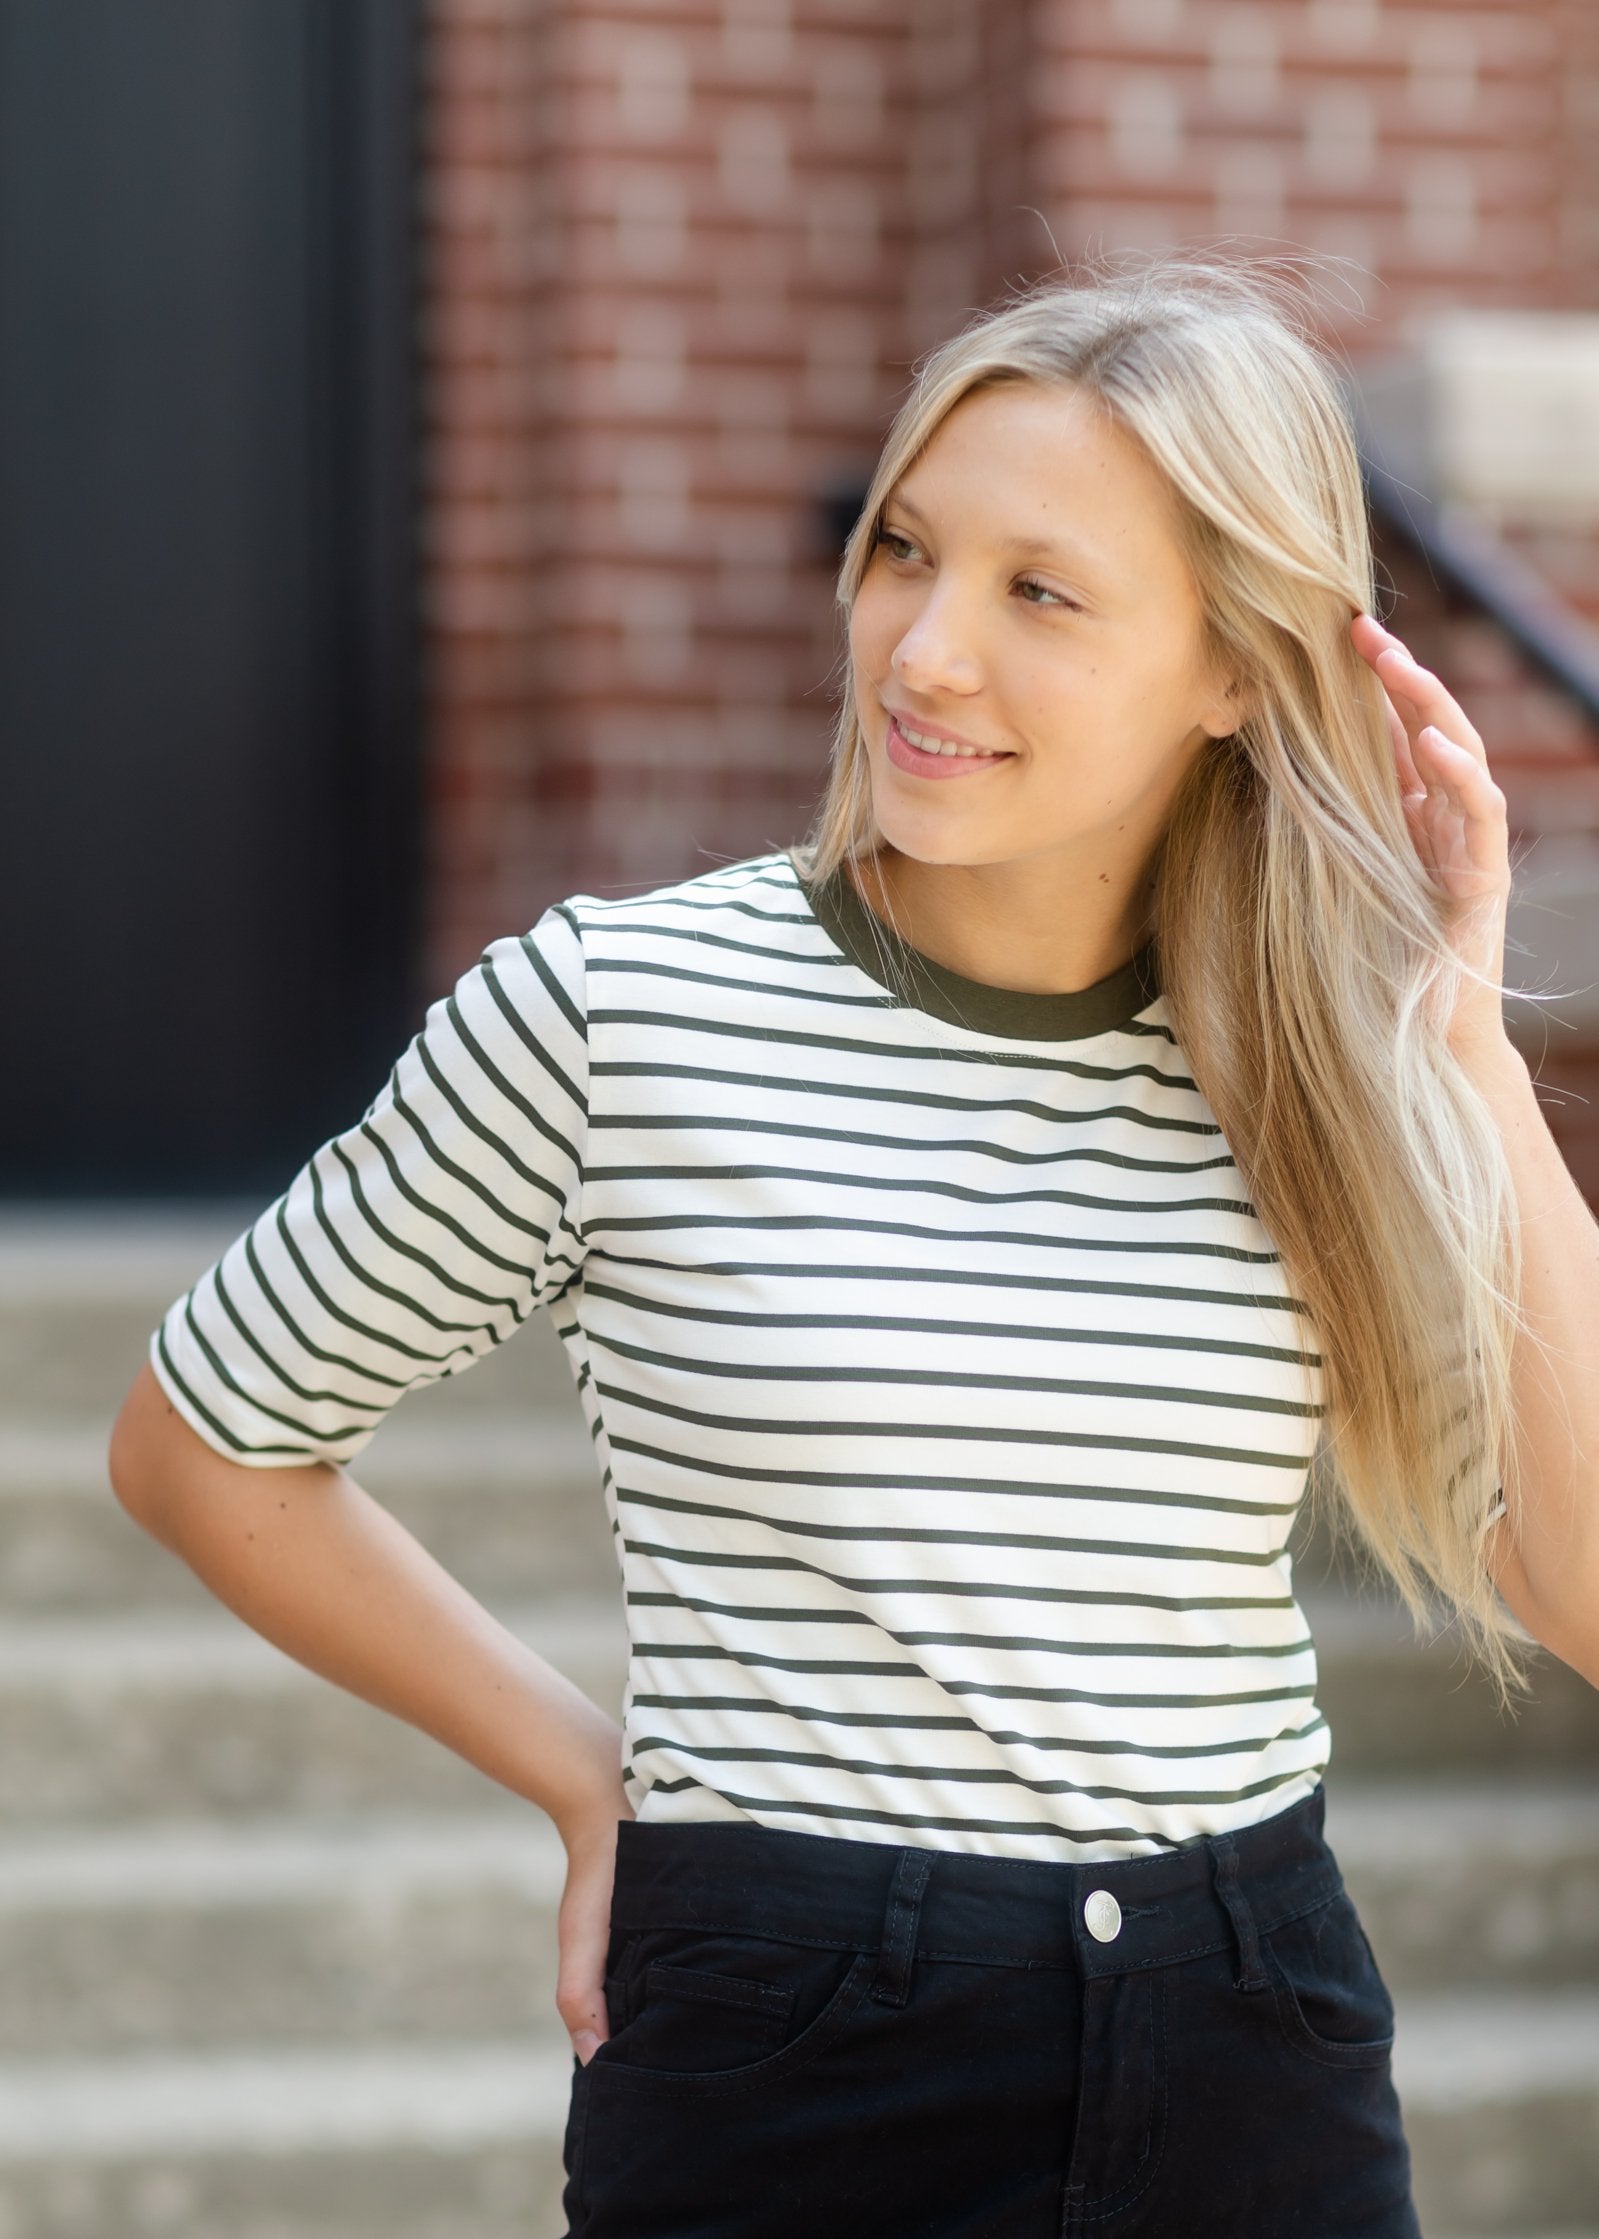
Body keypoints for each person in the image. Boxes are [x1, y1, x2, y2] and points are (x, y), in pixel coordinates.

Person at [109, 251, 1599, 2237]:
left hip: (1249, 2025)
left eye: (1035, 592)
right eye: (904, 551)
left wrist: (1467, 1065)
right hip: (793, 2042)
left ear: (1236, 671)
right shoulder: (613, 1012)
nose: (920, 650)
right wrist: (583, 1774)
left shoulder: (1324, 1081)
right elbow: (204, 1441)